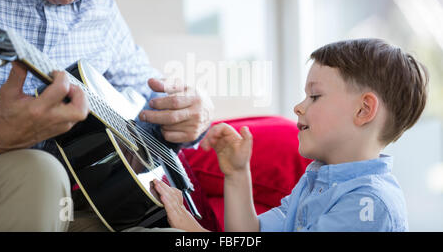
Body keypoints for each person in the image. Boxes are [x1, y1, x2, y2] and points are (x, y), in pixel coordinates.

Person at [0, 0, 213, 231]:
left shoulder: (95, 0)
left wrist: (190, 114)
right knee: (38, 172)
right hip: (22, 188)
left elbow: (143, 96)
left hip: (81, 203)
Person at [154, 38, 429, 232]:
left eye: (315, 96)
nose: (298, 107)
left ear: (363, 110)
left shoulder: (369, 204)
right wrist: (237, 174)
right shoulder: (315, 180)